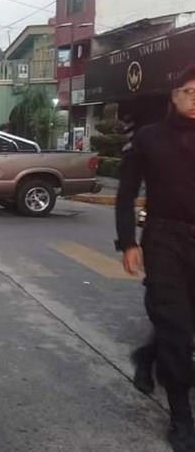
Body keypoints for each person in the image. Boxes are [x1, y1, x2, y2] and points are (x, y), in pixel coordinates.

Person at [116, 65, 195, 452]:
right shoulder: (150, 138)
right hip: (164, 240)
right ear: (173, 95)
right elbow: (126, 193)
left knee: (182, 324)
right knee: (177, 328)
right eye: (189, 92)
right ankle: (181, 416)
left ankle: (146, 355)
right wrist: (128, 243)